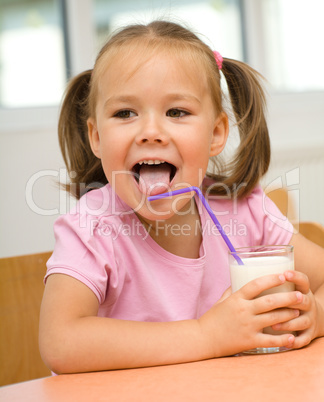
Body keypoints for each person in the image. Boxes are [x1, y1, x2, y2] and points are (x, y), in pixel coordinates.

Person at [39, 20, 324, 374]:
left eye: (177, 112)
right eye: (125, 113)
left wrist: (316, 313)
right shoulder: (93, 226)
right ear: (97, 137)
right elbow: (60, 342)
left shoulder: (245, 210)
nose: (151, 132)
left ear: (217, 133)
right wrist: (207, 335)